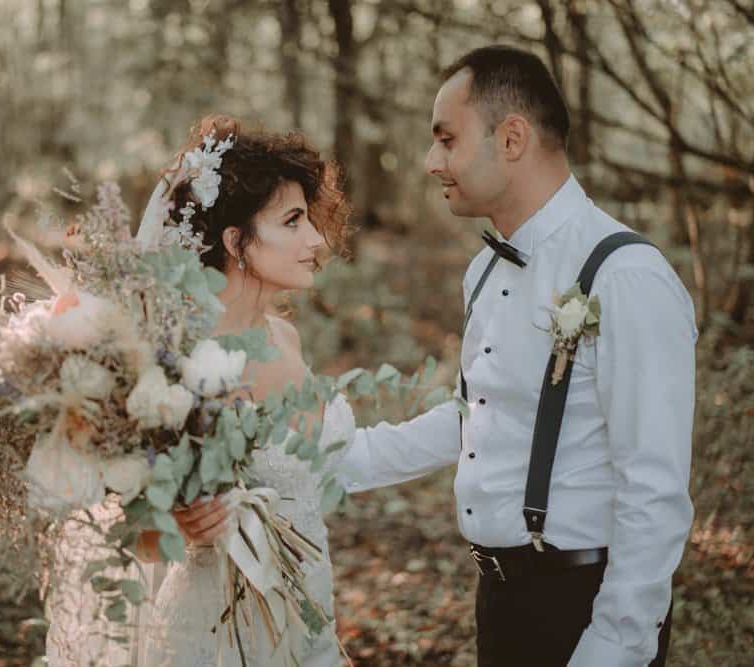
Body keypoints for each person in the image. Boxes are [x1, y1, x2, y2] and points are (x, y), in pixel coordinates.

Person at [339, 45, 697, 666]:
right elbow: (479, 417)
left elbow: (654, 489)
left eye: (446, 140)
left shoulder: (626, 277)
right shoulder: (482, 270)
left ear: (511, 139)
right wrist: (344, 462)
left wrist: (614, 644)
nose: (431, 162)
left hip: (587, 612)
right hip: (499, 605)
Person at [129, 115, 354, 666]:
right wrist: (175, 523)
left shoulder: (287, 337)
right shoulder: (177, 363)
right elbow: (133, 536)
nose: (316, 240)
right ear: (236, 240)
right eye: (293, 221)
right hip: (216, 639)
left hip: (307, 628)